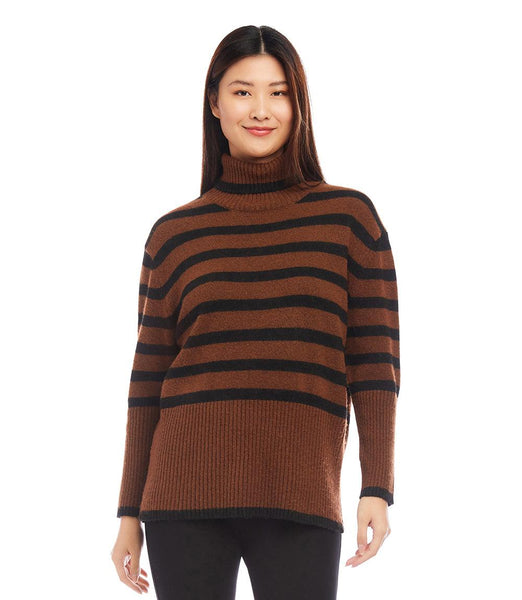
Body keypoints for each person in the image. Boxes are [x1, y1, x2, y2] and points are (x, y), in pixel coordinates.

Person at [111, 24, 400, 599]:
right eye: (242, 91)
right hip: (182, 495)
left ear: (299, 104)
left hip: (301, 492)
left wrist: (377, 485)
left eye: (279, 92)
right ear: (215, 104)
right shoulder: (173, 235)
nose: (261, 109)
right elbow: (148, 380)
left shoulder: (349, 219)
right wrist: (128, 512)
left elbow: (374, 364)